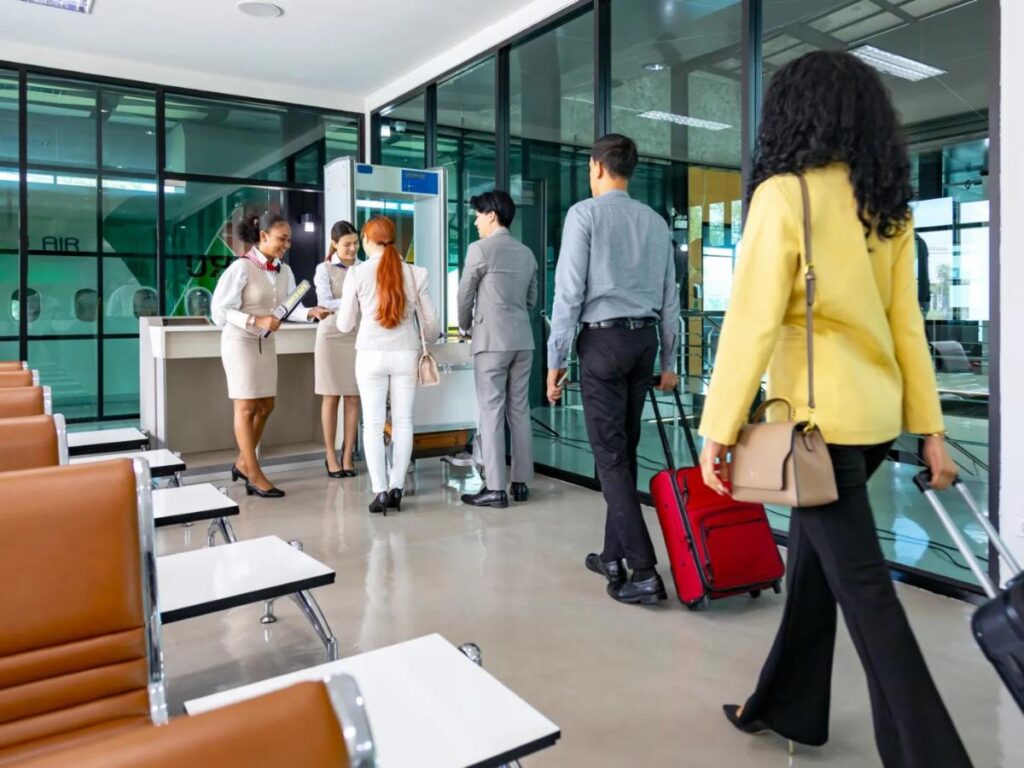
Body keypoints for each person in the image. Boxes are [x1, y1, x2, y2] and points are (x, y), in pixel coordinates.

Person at [696, 51, 971, 768]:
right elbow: (906, 323)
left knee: (869, 598)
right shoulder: (884, 202)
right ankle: (784, 705)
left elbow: (752, 321)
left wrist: (719, 429)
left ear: (793, 114)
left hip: (811, 433)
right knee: (817, 576)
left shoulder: (784, 195)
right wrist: (931, 432)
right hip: (872, 424)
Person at [547, 133, 680, 605]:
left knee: (611, 458)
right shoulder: (655, 222)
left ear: (598, 167)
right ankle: (611, 555)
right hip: (643, 342)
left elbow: (568, 293)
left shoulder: (583, 214)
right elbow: (670, 300)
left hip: (602, 342)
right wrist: (669, 361)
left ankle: (643, 570)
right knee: (622, 449)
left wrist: (555, 359)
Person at [212, 212, 331, 498]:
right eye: (282, 239)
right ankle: (253, 473)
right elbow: (219, 312)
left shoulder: (285, 271)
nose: (287, 244)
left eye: (289, 239)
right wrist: (255, 321)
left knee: (266, 405)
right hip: (240, 342)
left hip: (267, 343)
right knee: (246, 407)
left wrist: (310, 312)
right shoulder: (240, 268)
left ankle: (242, 463)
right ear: (263, 237)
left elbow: (287, 309)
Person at [338, 215, 438, 514]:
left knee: (372, 424)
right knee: (404, 422)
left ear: (369, 240)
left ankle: (380, 492)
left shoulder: (357, 274)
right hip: (405, 353)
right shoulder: (416, 273)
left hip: (369, 355)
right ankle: (397, 487)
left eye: (363, 240)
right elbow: (432, 327)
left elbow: (344, 324)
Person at [457, 190, 538, 509]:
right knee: (519, 410)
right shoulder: (526, 253)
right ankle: (520, 482)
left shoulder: (480, 250)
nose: (476, 221)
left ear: (492, 215)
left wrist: (465, 326)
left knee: (491, 411)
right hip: (522, 340)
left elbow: (465, 293)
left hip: (491, 340)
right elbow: (531, 300)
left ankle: (494, 487)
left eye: (478, 214)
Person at [315, 221, 361, 478]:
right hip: (331, 335)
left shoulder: (364, 268)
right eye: (347, 244)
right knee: (331, 395)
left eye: (355, 243)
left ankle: (347, 454)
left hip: (357, 334)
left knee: (354, 396)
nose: (352, 248)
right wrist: (354, 297)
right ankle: (330, 455)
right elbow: (324, 302)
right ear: (334, 244)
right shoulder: (324, 269)